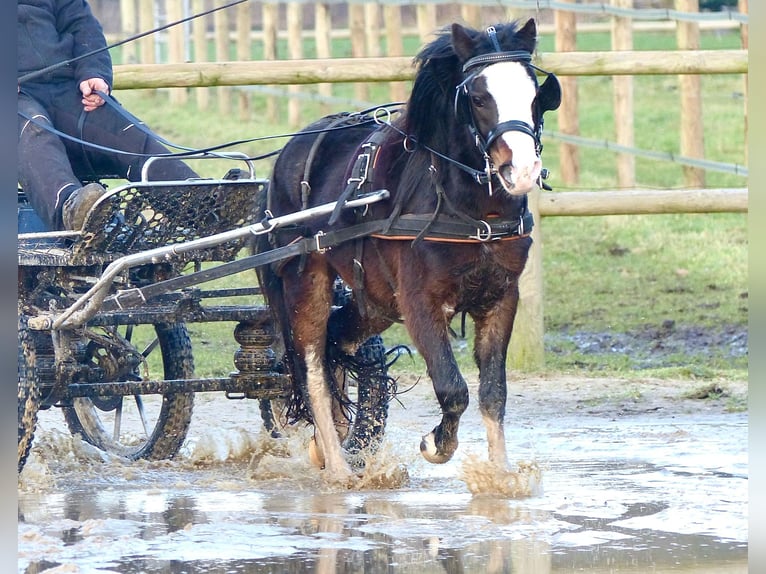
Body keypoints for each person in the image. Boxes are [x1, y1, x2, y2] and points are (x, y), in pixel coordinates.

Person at [18, 0, 199, 231]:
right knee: (34, 129)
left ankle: (201, 205)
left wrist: (93, 72)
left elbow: (81, 25)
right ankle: (73, 210)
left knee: (121, 129)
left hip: (64, 88)